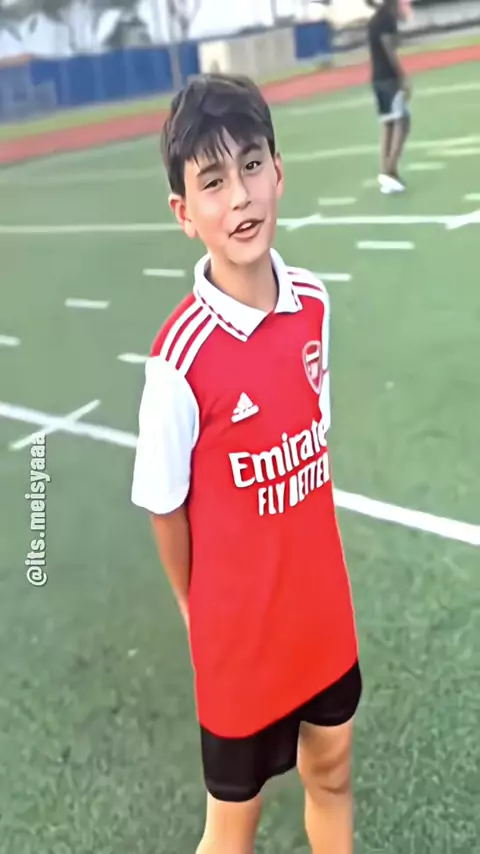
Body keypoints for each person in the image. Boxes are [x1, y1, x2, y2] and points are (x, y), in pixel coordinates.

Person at [131, 73, 362, 854]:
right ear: (184, 213)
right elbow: (165, 507)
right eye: (213, 181)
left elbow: (313, 436)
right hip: (240, 639)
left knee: (333, 772)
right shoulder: (179, 359)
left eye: (253, 165)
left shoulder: (315, 302)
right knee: (234, 825)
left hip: (321, 610)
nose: (240, 197)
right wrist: (194, 605)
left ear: (279, 171)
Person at [367, 0, 411, 193]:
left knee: (388, 123)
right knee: (402, 121)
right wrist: (403, 77)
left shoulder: (375, 20)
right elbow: (390, 50)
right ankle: (390, 170)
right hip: (389, 78)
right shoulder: (387, 20)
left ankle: (386, 170)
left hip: (377, 77)